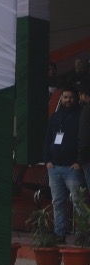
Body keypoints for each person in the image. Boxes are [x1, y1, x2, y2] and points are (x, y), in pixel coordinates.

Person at [45, 87, 83, 241]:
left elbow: (84, 141)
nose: (68, 100)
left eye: (71, 97)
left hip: (72, 167)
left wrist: (79, 162)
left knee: (78, 202)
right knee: (57, 202)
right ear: (61, 99)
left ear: (76, 99)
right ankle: (59, 234)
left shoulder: (81, 117)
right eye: (65, 97)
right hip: (54, 167)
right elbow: (47, 139)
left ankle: (83, 234)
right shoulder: (54, 117)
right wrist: (47, 160)